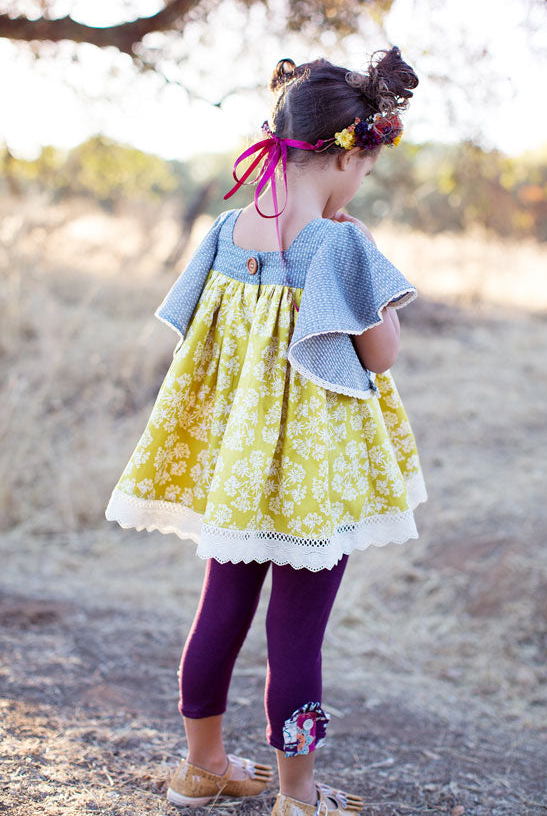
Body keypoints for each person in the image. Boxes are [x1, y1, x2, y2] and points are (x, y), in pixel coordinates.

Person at [105, 45, 427, 815]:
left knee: (221, 606)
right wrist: (367, 274)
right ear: (349, 158)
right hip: (311, 477)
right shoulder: (341, 244)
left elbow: (199, 345)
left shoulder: (223, 234)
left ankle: (202, 765)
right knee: (297, 634)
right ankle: (297, 794)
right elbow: (379, 355)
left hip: (239, 468)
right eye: (368, 171)